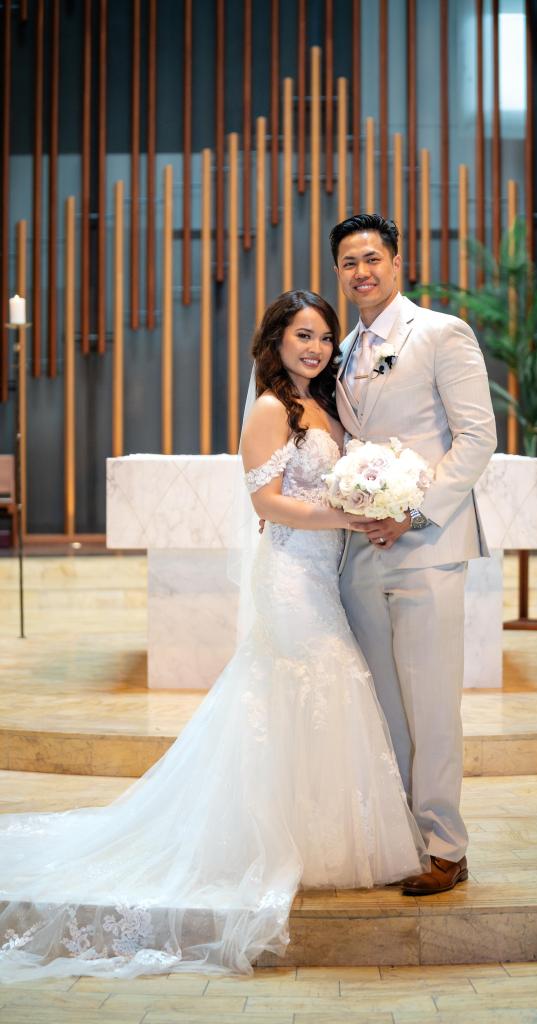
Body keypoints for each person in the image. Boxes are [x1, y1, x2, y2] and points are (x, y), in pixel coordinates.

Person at [0, 290, 427, 983]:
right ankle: (281, 843)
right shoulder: (271, 409)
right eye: (303, 336)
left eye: (324, 337)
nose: (316, 348)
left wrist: (367, 496)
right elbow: (266, 502)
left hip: (325, 572)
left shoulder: (325, 405)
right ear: (276, 341)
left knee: (321, 690)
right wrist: (346, 515)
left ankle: (326, 839)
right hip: (290, 575)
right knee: (314, 679)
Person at [332, 214, 497, 896]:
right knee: (387, 709)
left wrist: (414, 510)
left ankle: (446, 846)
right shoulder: (340, 349)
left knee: (430, 704)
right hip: (360, 552)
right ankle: (404, 838)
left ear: (397, 263)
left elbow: (477, 437)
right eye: (349, 262)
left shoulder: (438, 333)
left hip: (425, 545)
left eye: (372, 258)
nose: (361, 271)